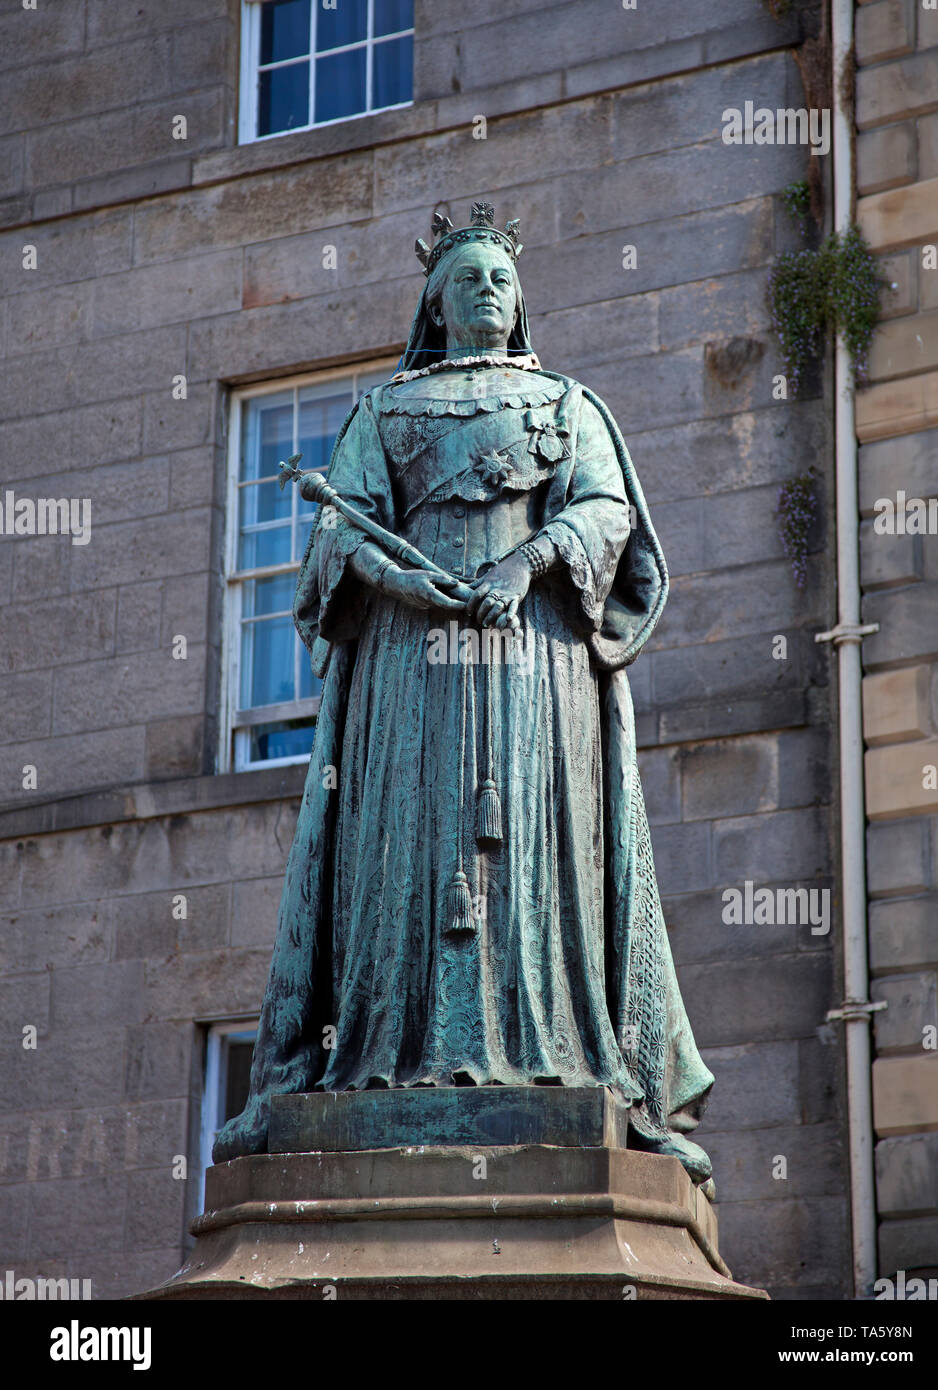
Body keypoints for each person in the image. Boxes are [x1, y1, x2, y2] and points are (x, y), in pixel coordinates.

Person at [214, 202, 715, 1185]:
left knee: (536, 849)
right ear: (434, 306)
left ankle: (561, 1056)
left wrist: (527, 563)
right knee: (405, 845)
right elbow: (339, 534)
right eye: (467, 279)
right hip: (409, 678)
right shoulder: (386, 413)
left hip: (535, 669)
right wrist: (406, 582)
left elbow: (608, 514)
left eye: (501, 277)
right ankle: (387, 1058)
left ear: (519, 299)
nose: (488, 289)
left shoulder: (570, 407)